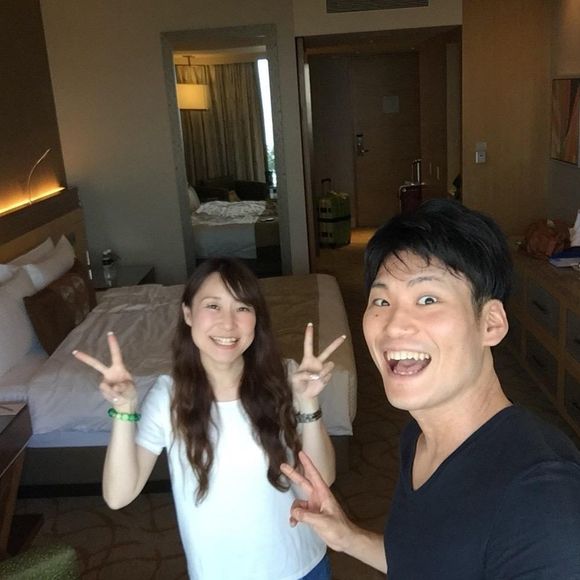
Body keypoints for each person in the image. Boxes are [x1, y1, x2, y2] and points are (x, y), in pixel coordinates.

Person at [281, 199, 580, 579]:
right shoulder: (419, 439)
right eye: (381, 300)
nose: (393, 324)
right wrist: (348, 537)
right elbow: (429, 563)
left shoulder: (541, 496)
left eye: (427, 299)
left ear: (491, 323)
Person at [73, 257, 346, 579]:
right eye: (213, 306)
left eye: (242, 308)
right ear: (188, 314)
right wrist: (124, 409)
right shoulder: (169, 397)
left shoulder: (286, 377)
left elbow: (322, 480)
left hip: (302, 566)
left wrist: (308, 401)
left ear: (256, 319)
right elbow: (118, 496)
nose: (228, 323)